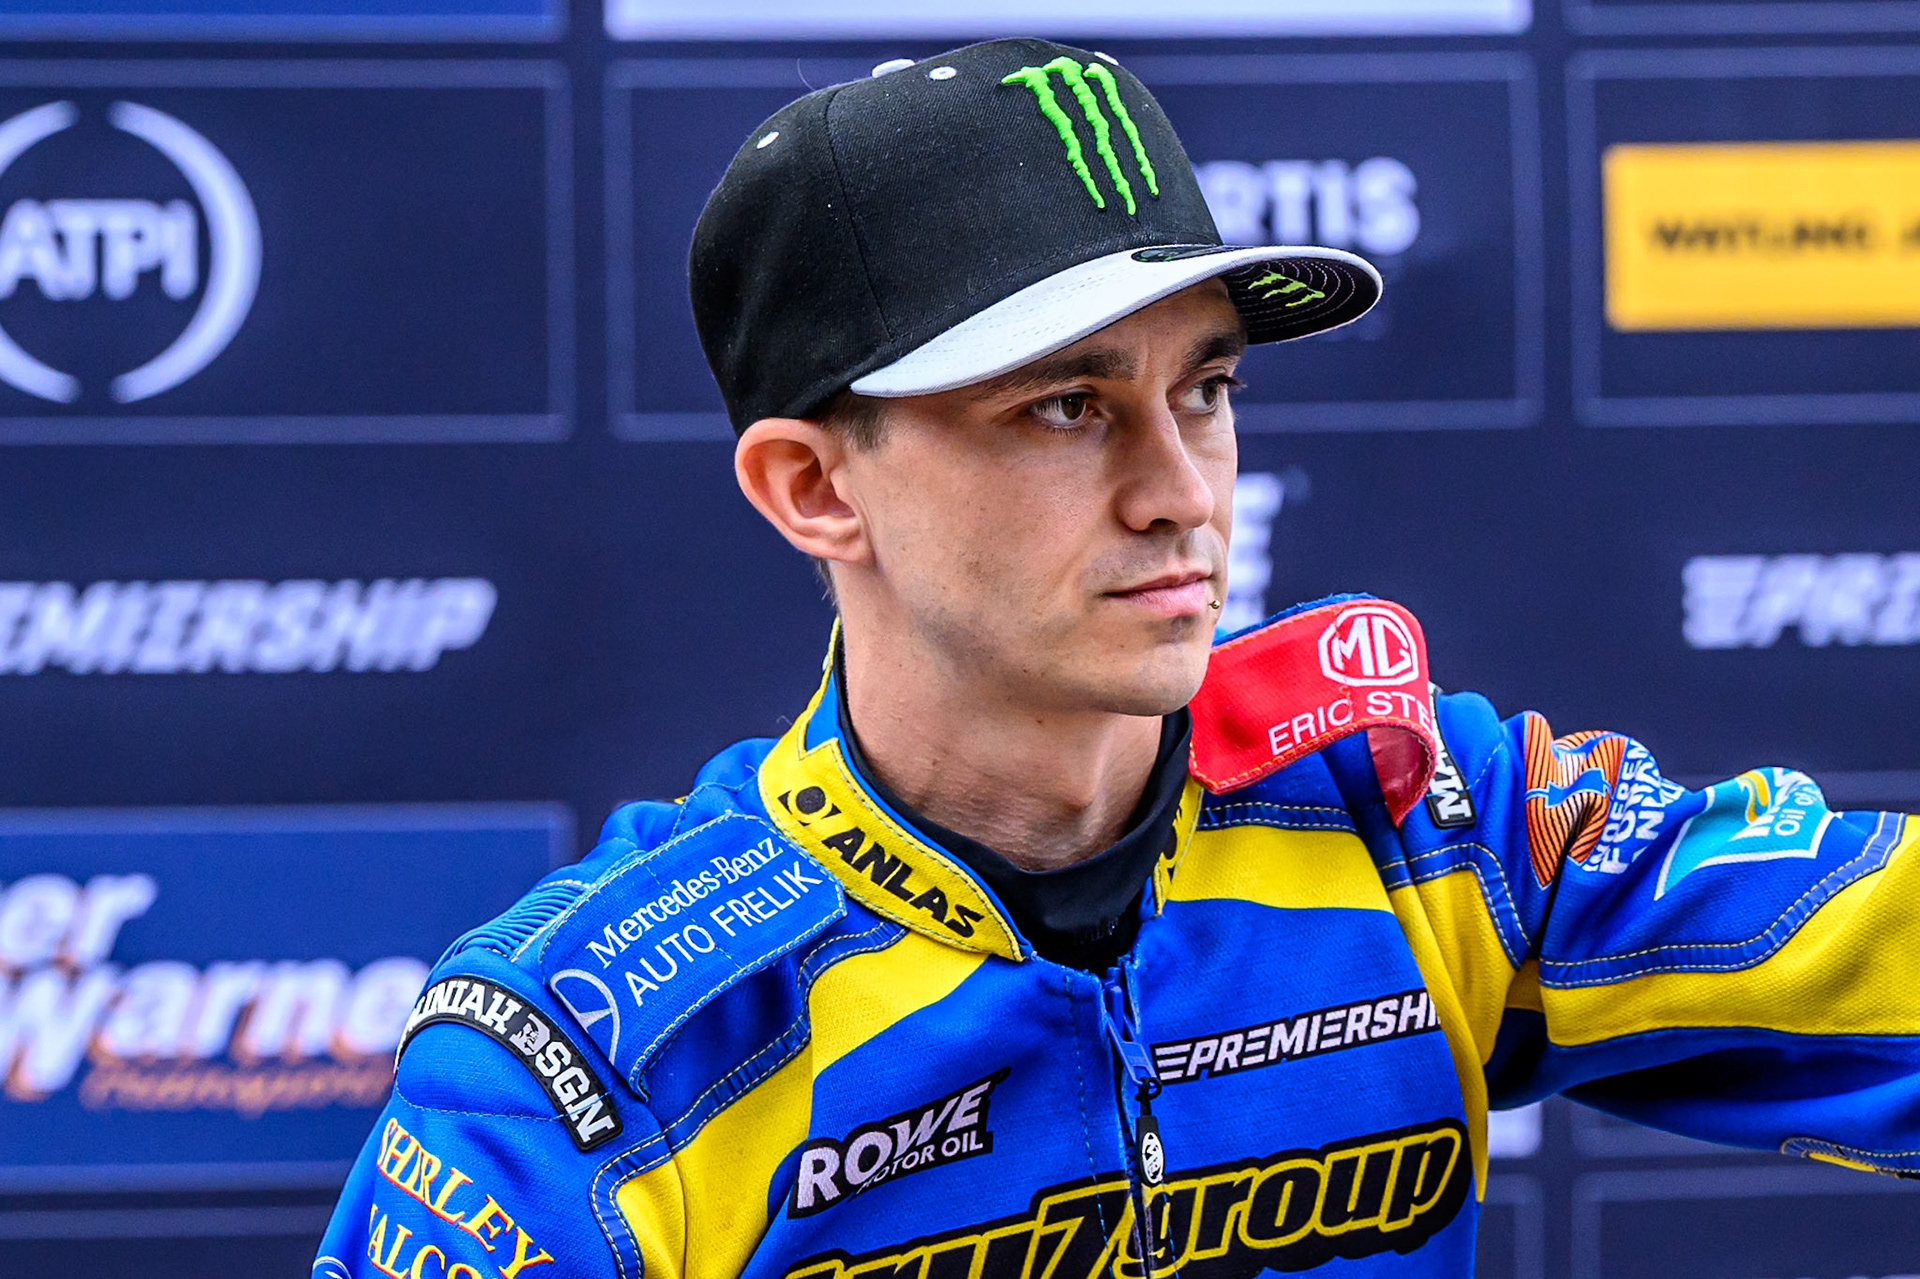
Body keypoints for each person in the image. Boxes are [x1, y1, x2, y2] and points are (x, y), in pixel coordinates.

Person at [315, 38, 1920, 1279]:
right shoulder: (595, 1057)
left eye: (1205, 388)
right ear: (815, 488)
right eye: (1066, 407)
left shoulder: (1424, 818)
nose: (1181, 490)